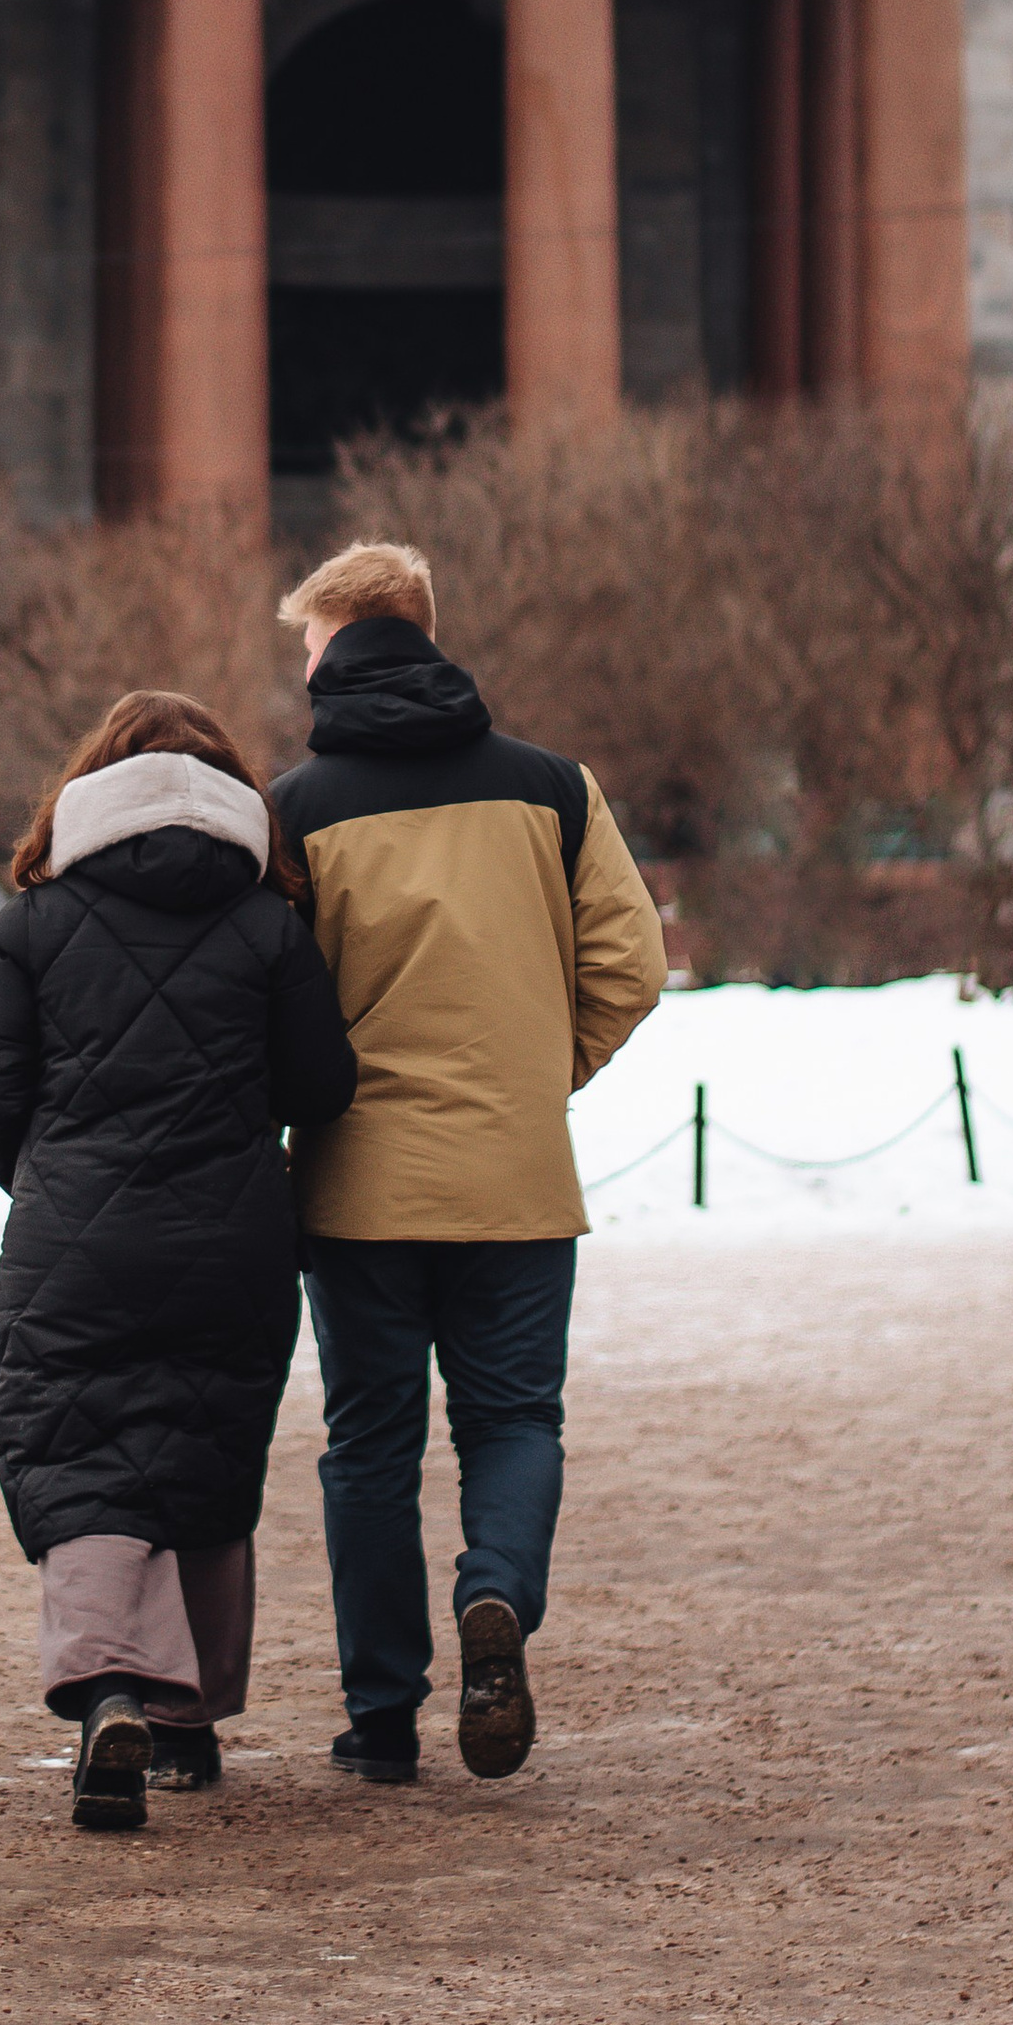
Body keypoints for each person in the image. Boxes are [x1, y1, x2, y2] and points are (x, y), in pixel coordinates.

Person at [270, 541, 665, 1792]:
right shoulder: (555, 790)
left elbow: (269, 1001)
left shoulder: (297, 808)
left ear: (331, 642)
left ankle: (381, 1718)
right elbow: (632, 965)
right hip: (514, 1174)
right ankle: (495, 1593)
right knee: (512, 1421)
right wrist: (540, 1077)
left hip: (359, 1183)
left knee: (370, 1449)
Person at [0, 691, 357, 1834]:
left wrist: (43, 1176)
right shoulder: (267, 924)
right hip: (232, 1235)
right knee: (205, 1458)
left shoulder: (28, 923)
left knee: (78, 1458)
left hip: (69, 1239)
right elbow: (321, 1084)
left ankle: (107, 1687)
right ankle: (185, 1723)